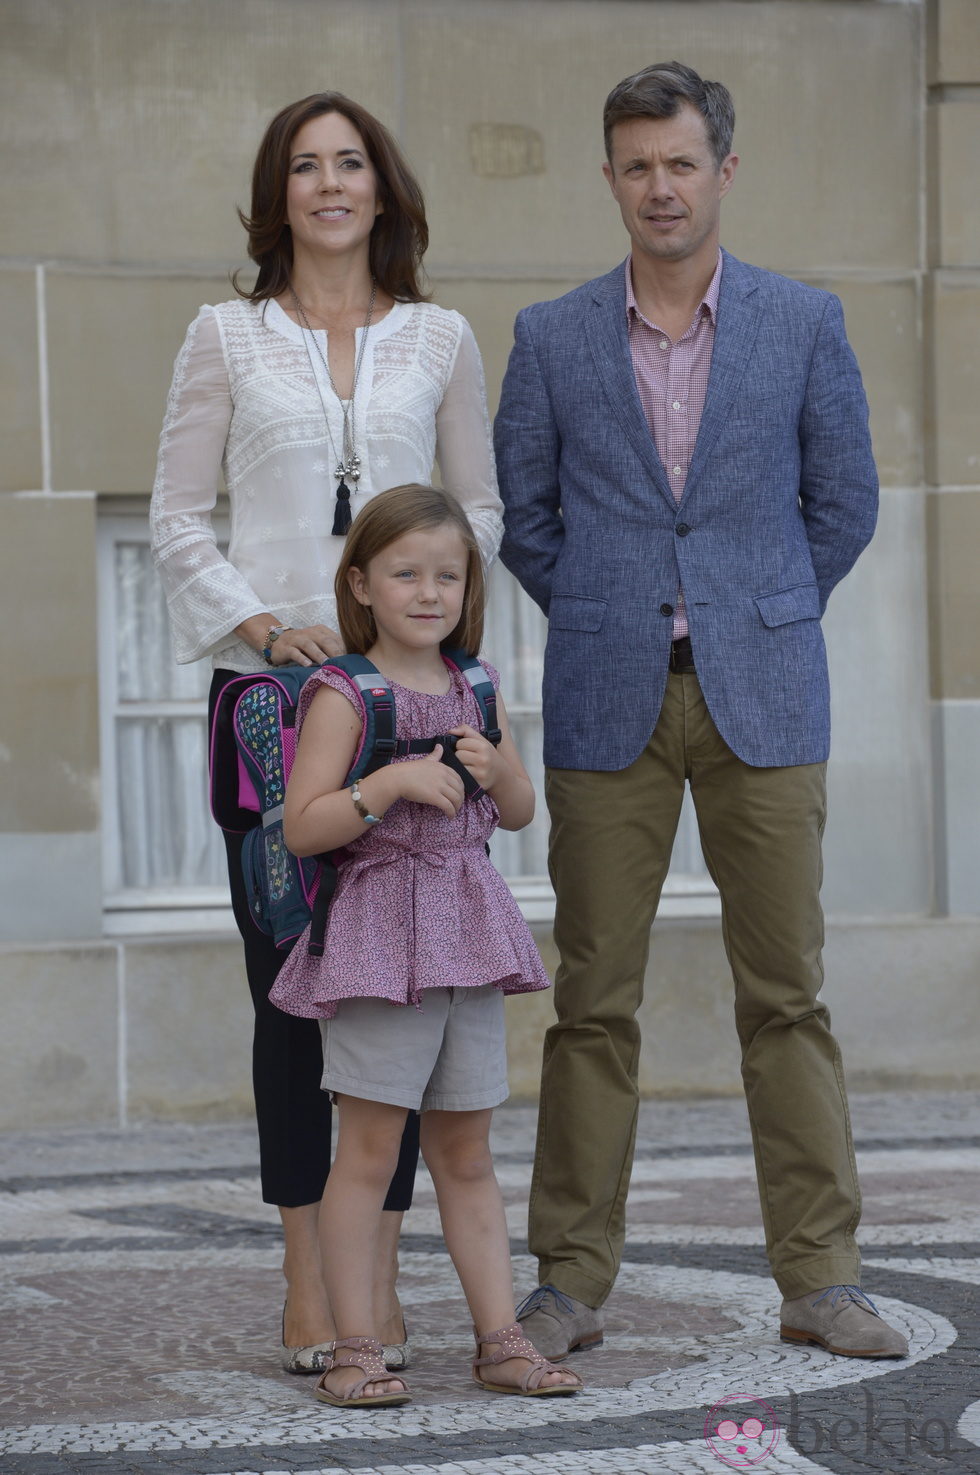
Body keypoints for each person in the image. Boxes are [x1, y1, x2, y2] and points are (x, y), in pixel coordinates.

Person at [493, 61, 908, 1363]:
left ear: (724, 170)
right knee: (590, 1002)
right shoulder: (552, 337)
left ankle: (821, 1273)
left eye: (681, 162)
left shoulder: (803, 322)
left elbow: (843, 504)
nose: (659, 187)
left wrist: (759, 604)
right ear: (607, 175)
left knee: (787, 994)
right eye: (636, 164)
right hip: (611, 696)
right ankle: (568, 1280)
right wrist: (618, 605)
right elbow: (528, 517)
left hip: (765, 700)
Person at [150, 91, 503, 1374]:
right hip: (275, 707)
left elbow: (478, 512)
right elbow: (179, 515)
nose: (329, 183)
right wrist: (257, 617)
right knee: (292, 994)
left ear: (383, 187)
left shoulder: (441, 338)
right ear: (277, 193)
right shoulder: (224, 337)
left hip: (407, 701)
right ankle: (309, 1268)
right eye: (305, 165)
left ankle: (380, 1268)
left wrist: (426, 650)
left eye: (350, 161)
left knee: (402, 978)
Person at [267, 484, 583, 1406]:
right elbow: (304, 825)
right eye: (406, 572)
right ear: (361, 582)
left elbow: (518, 813)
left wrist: (500, 768)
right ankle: (352, 1346)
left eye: (447, 574)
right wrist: (390, 781)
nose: (428, 591)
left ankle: (501, 1341)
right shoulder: (344, 692)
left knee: (469, 1153)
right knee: (367, 1153)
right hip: (378, 941)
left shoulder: (476, 684)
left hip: (469, 936)